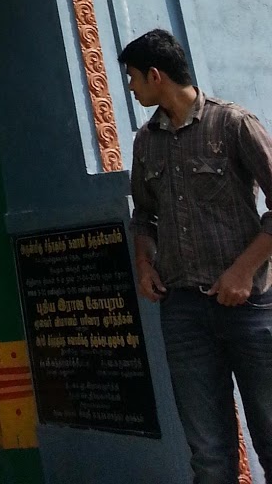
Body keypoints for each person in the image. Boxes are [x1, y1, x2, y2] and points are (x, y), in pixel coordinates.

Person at [120, 28, 272, 483]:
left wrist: (243, 272)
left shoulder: (233, 124)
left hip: (249, 309)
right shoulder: (146, 142)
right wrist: (145, 264)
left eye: (132, 78)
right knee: (207, 453)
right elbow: (143, 216)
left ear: (155, 75)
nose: (129, 88)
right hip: (183, 311)